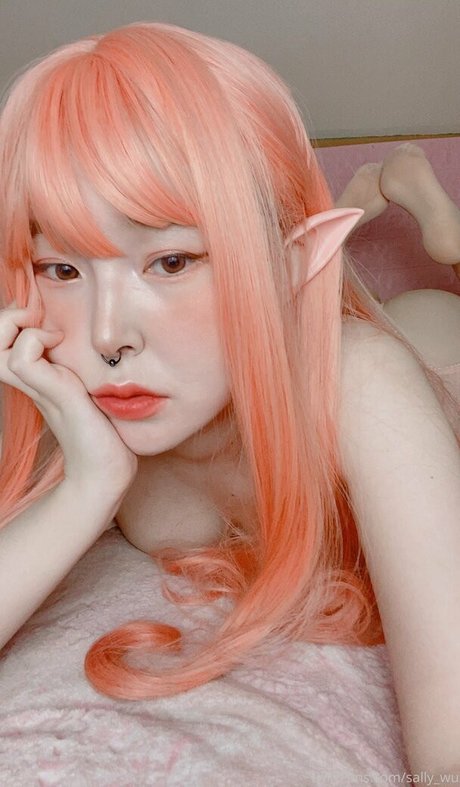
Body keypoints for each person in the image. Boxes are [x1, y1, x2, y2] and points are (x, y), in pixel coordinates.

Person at [0, 22, 459, 776]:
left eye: (171, 261)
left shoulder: (366, 387)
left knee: (434, 307)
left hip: (438, 352)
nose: (108, 336)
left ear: (290, 263)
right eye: (62, 269)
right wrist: (87, 485)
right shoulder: (93, 408)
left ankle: (433, 216)